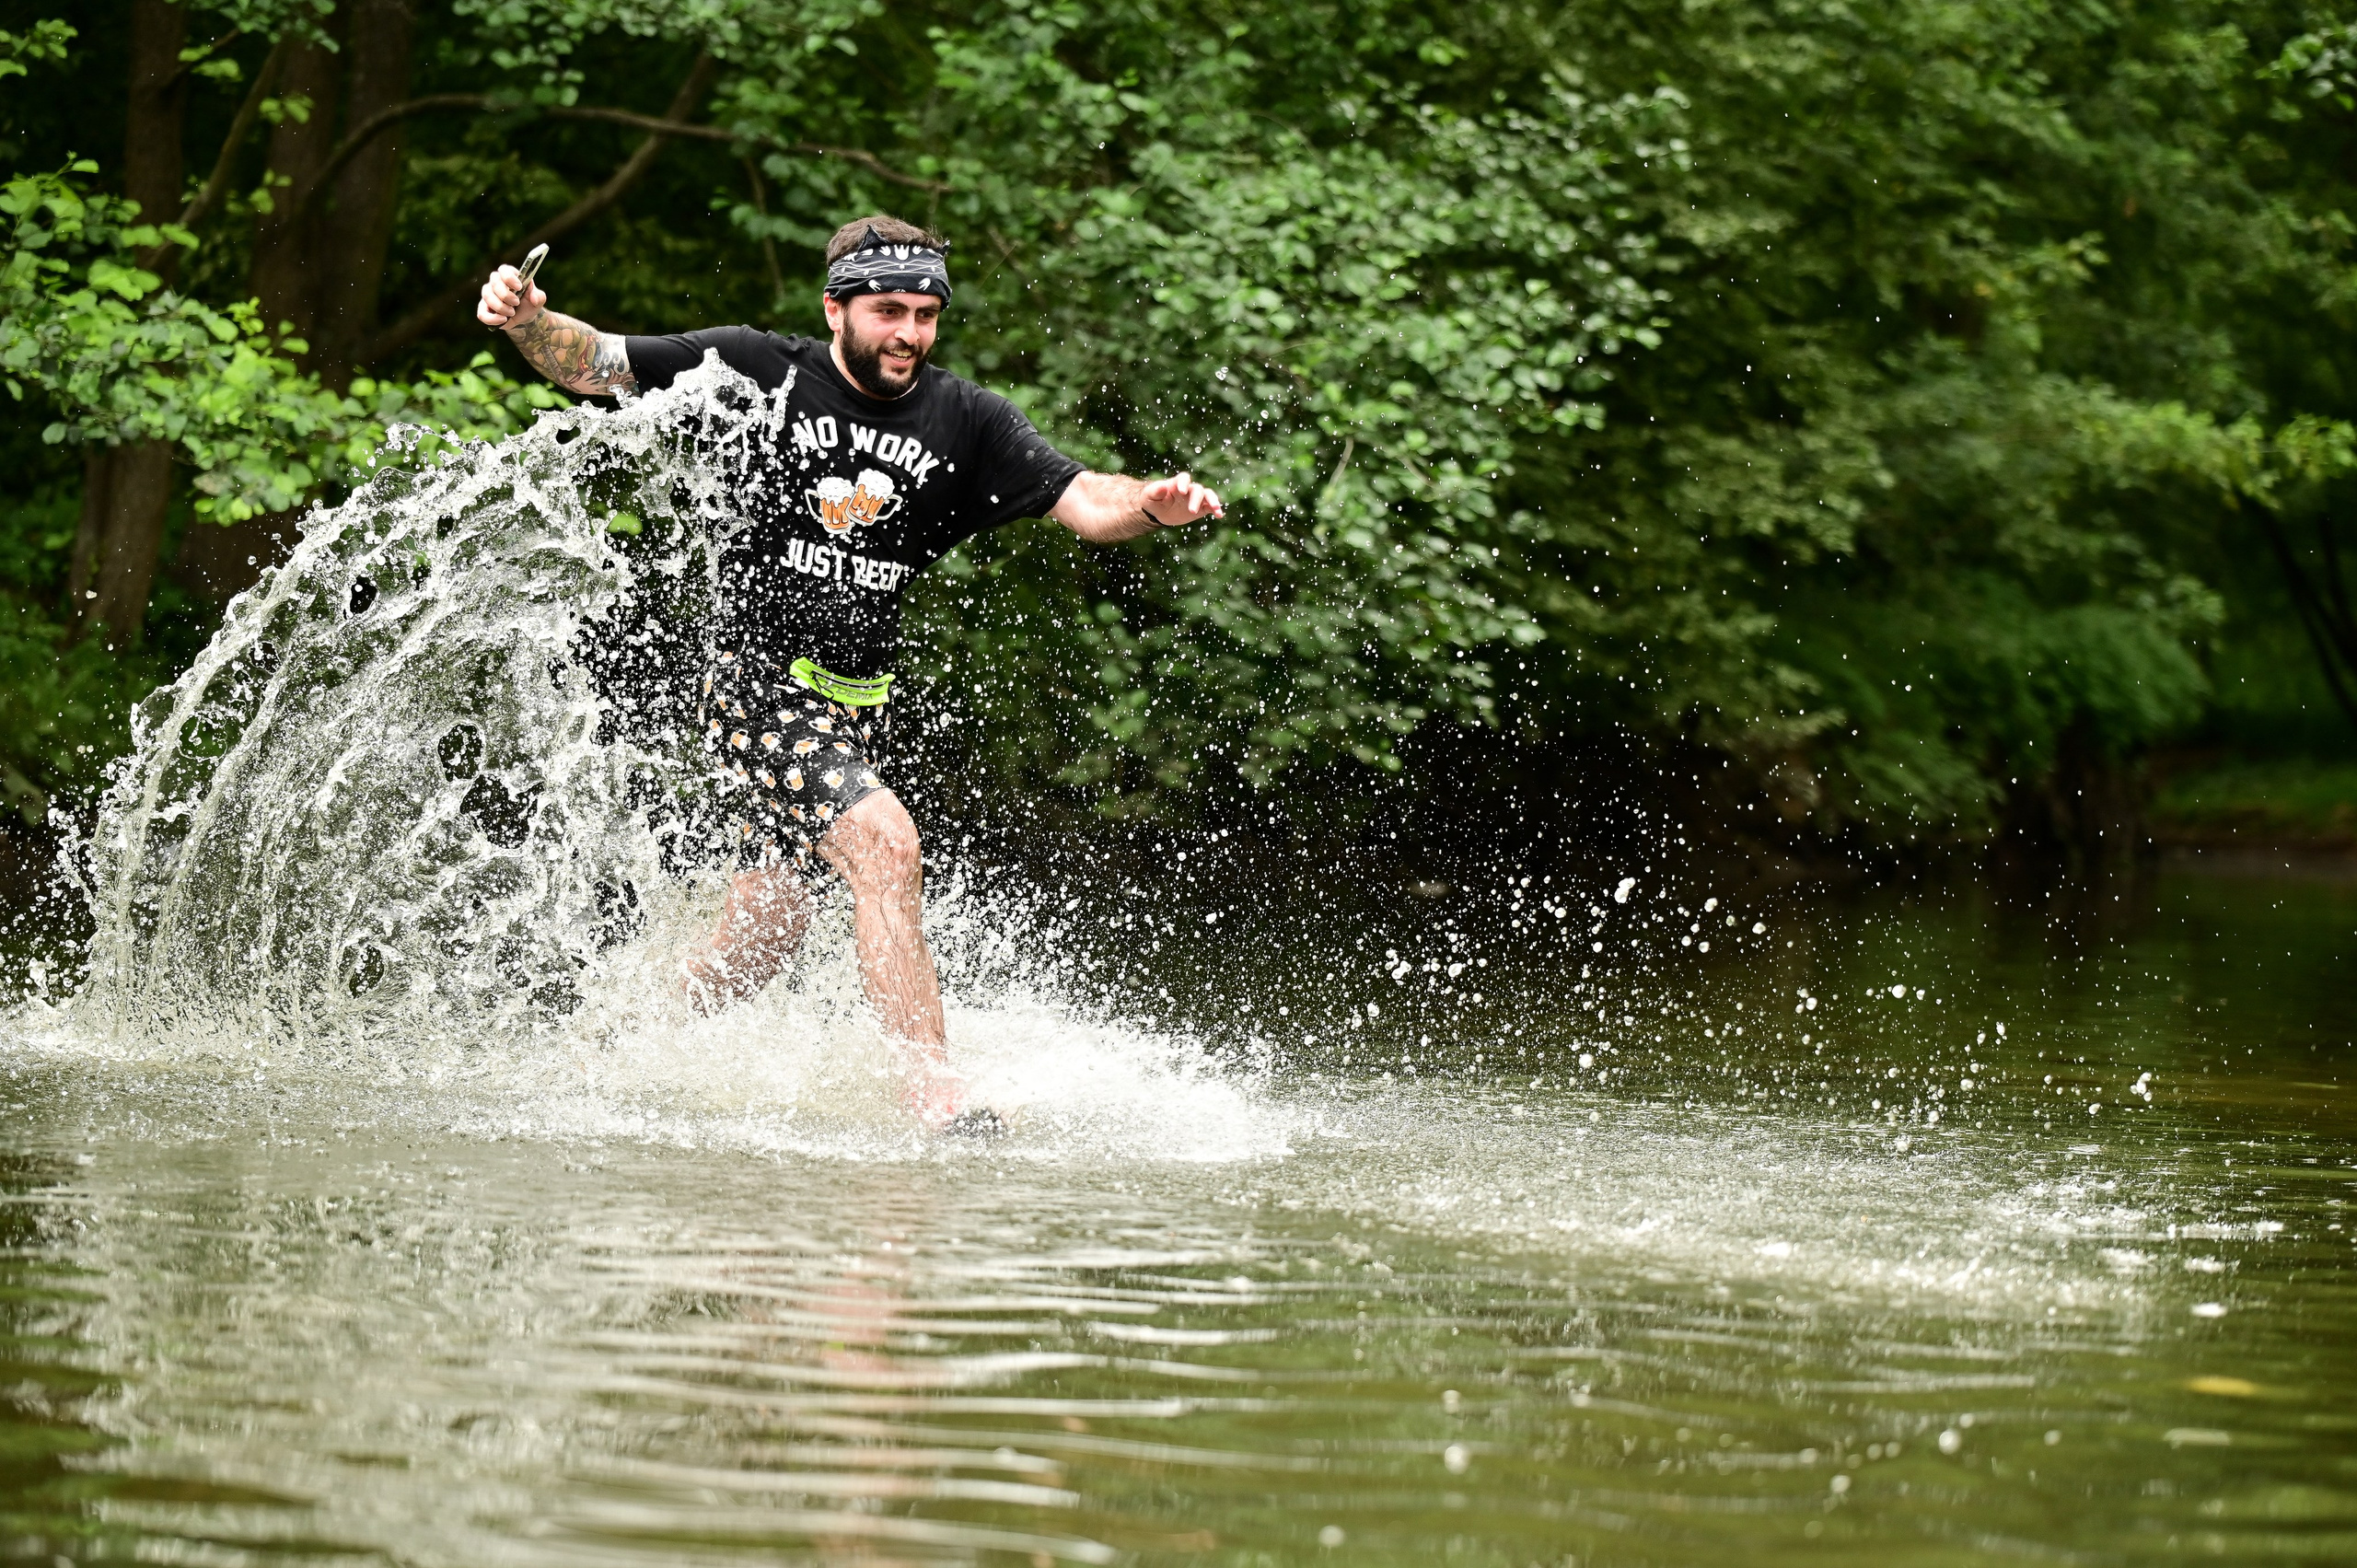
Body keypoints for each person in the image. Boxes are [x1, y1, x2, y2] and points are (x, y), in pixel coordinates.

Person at [476, 215, 1222, 1132]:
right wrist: (527, 321)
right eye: (887, 312)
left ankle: (607, 1051)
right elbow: (596, 361)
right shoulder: (757, 370)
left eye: (925, 314)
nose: (908, 333)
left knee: (763, 938)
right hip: (755, 688)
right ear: (836, 308)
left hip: (854, 708)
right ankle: (937, 1098)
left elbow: (1085, 498)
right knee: (885, 843)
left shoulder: (968, 420)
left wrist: (1150, 503)